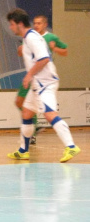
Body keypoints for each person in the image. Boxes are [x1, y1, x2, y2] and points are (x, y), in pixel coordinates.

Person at [6, 8, 79, 162]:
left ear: (19, 24)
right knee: (26, 113)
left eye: (12, 24)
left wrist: (29, 74)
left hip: (46, 82)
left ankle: (71, 146)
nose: (10, 27)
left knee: (49, 113)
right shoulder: (27, 38)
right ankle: (23, 150)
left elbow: (44, 58)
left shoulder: (32, 38)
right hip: (37, 84)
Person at [15, 15, 68, 145]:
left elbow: (65, 51)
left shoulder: (51, 37)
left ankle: (31, 134)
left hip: (43, 79)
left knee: (47, 112)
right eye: (35, 23)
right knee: (19, 102)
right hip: (30, 77)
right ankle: (34, 126)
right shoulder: (29, 36)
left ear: (45, 24)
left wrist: (54, 48)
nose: (36, 25)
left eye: (39, 23)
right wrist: (20, 50)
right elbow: (20, 53)